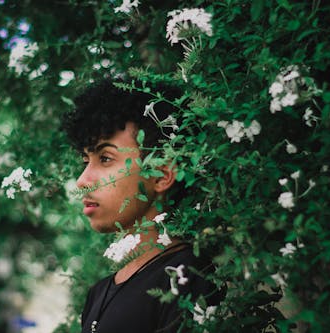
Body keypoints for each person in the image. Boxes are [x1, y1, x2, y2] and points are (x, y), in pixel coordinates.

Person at [62, 79, 223, 333]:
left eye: (105, 158)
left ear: (161, 174)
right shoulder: (98, 293)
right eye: (86, 160)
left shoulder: (187, 277)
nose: (82, 181)